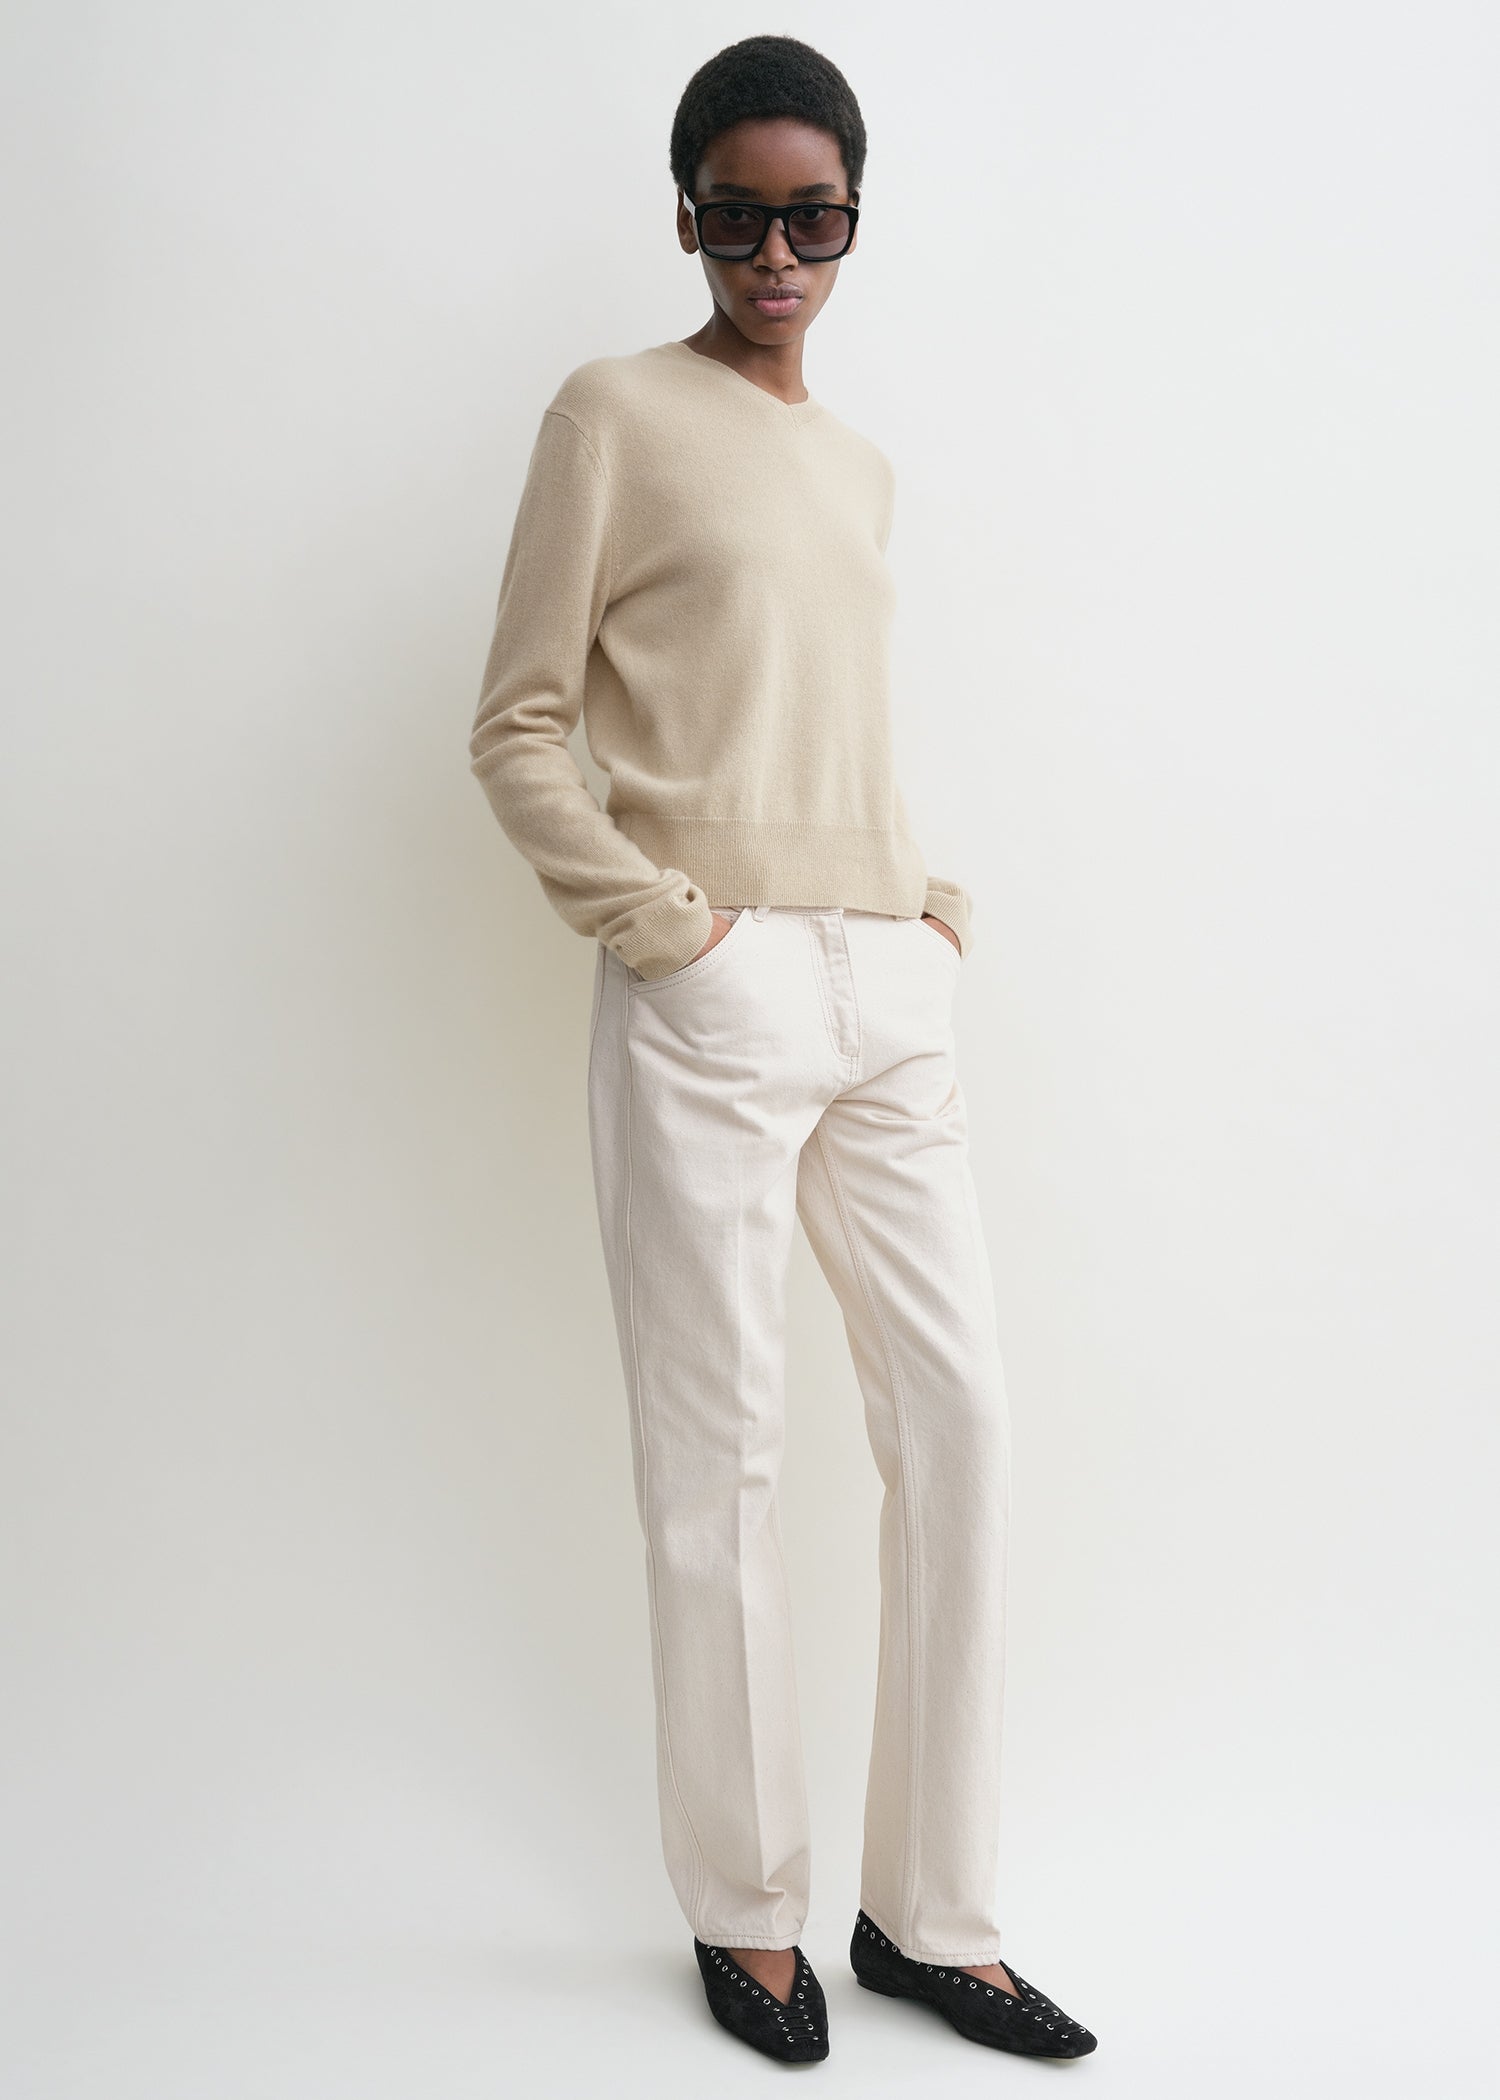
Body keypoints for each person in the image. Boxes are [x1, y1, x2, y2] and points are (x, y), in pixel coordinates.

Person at [468, 33, 1097, 2068]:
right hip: (711, 982)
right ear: (685, 216)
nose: (774, 256)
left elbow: (830, 722)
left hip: (882, 984)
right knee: (719, 1454)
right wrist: (668, 927)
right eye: (736, 215)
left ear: (852, 223)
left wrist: (928, 908)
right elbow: (518, 721)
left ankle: (931, 1917)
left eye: (812, 219)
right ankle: (746, 1916)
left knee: (963, 1425)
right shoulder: (611, 413)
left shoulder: (859, 465)